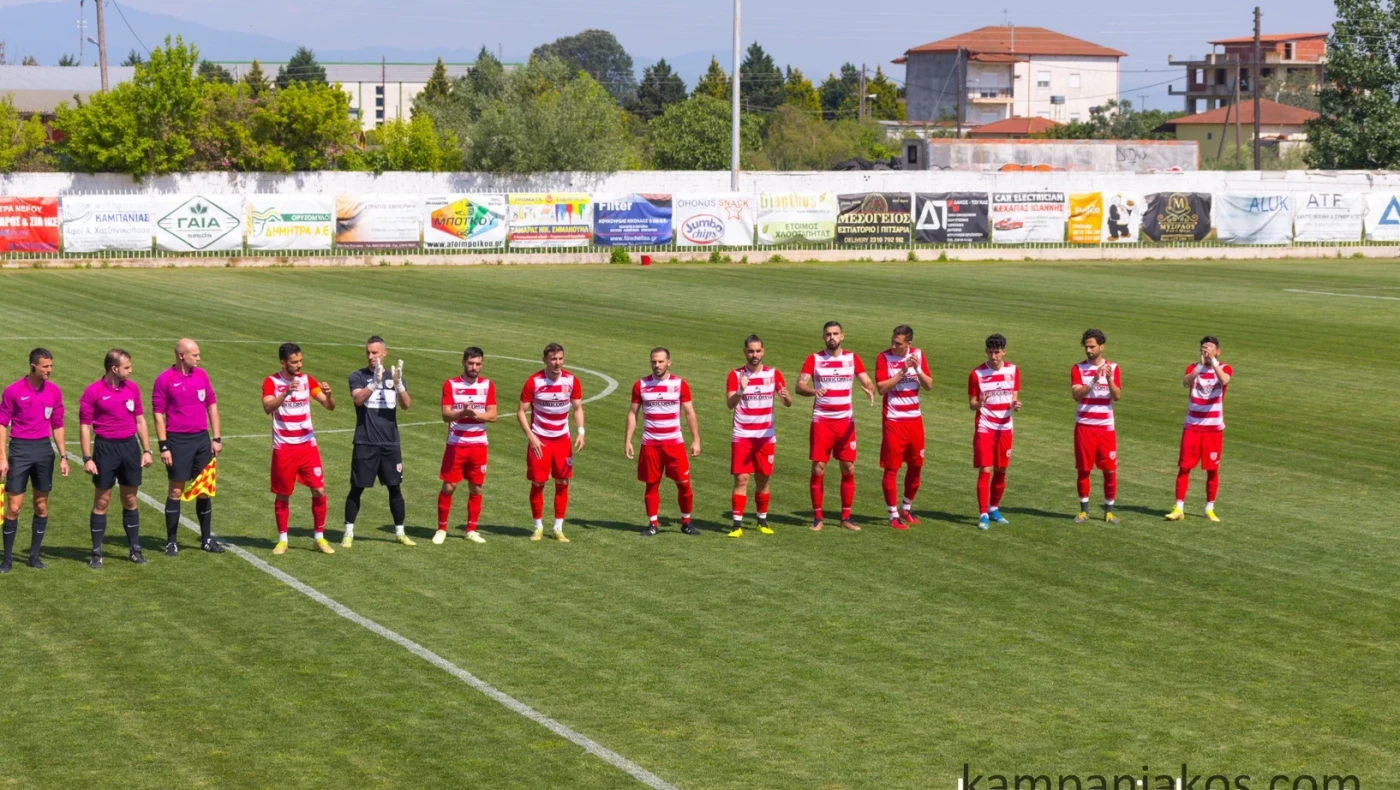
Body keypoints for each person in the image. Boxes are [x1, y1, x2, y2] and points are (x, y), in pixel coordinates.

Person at [797, 321, 876, 531]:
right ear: (823, 337)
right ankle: (817, 517)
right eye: (828, 334)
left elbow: (868, 382)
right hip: (822, 421)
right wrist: (813, 391)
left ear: (843, 336)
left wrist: (869, 389)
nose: (832, 337)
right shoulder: (814, 359)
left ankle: (846, 517)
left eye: (835, 334)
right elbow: (799, 386)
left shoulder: (852, 358)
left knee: (849, 467)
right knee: (818, 467)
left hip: (845, 422)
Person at [79, 349, 153, 568]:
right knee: (102, 500)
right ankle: (96, 552)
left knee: (130, 499)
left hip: (129, 448)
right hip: (105, 449)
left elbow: (140, 420)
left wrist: (147, 450)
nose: (131, 371)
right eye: (127, 367)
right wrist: (86, 457)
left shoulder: (132, 388)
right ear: (114, 369)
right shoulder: (93, 391)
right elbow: (85, 426)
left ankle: (134, 549)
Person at [152, 338, 224, 556]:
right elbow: (158, 414)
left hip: (201, 440)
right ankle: (171, 541)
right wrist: (164, 446)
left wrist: (217, 438)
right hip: (177, 441)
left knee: (204, 489)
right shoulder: (164, 380)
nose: (199, 358)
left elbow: (211, 406)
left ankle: (206, 539)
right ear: (182, 355)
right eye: (195, 354)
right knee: (175, 490)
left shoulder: (202, 376)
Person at [262, 342, 336, 555]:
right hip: (284, 448)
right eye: (294, 362)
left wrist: (329, 395)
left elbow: (329, 406)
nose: (299, 365)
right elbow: (268, 407)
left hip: (307, 446)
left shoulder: (307, 380)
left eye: (300, 361)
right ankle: (283, 539)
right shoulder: (271, 382)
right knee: (283, 494)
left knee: (319, 490)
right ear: (283, 362)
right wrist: (285, 393)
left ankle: (319, 538)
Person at [0, 348, 68, 572]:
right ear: (33, 366)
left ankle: (34, 556)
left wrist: (63, 457)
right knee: (14, 507)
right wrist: (2, 456)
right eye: (45, 366)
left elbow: (58, 425)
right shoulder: (13, 391)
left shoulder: (54, 392)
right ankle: (7, 559)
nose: (50, 370)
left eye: (51, 366)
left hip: (43, 450)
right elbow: (2, 424)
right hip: (20, 450)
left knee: (41, 505)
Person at [342, 336, 412, 548]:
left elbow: (406, 405)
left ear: (384, 353)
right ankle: (348, 533)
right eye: (368, 353)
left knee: (395, 488)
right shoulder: (358, 376)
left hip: (390, 443)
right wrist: (374, 383)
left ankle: (400, 532)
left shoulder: (394, 376)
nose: (371, 356)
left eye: (375, 352)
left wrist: (399, 385)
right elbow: (358, 399)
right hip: (366, 442)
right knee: (357, 488)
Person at [626, 348, 701, 536]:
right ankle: (653, 524)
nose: (657, 365)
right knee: (651, 484)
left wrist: (696, 439)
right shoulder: (641, 385)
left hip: (674, 443)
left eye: (660, 361)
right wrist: (628, 440)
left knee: (684, 483)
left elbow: (689, 412)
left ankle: (686, 522)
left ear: (669, 362)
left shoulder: (679, 384)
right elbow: (633, 413)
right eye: (654, 361)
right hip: (650, 444)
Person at [517, 343, 585, 543]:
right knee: (538, 483)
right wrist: (531, 437)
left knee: (562, 482)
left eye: (560, 359)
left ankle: (558, 528)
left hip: (562, 441)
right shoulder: (534, 381)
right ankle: (537, 527)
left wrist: (581, 431)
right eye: (553, 359)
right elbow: (521, 411)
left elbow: (578, 408)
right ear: (545, 360)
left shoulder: (571, 381)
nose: (558, 363)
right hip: (540, 440)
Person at [725, 335, 791, 538]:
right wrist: (740, 390)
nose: (754, 355)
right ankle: (737, 525)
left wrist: (787, 398)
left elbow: (787, 402)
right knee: (742, 478)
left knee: (763, 479)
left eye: (758, 351)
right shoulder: (735, 375)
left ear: (763, 351)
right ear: (744, 352)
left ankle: (762, 520)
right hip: (743, 435)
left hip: (765, 437)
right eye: (751, 351)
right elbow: (730, 404)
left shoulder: (773, 374)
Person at [1166, 336, 1234, 523]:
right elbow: (1186, 382)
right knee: (1184, 467)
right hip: (1193, 427)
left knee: (1212, 469)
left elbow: (1225, 379)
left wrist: (1213, 363)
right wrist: (1200, 366)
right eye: (1203, 348)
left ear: (1218, 351)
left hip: (1213, 429)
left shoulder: (1224, 368)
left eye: (1210, 348)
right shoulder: (1193, 368)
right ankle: (1178, 507)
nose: (1206, 350)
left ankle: (1209, 508)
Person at [874, 325, 933, 530]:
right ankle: (892, 514)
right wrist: (902, 372)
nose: (893, 345)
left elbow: (929, 385)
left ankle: (906, 508)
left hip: (914, 420)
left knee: (916, 465)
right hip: (893, 420)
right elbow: (881, 388)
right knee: (892, 468)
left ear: (908, 344)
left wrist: (916, 369)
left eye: (898, 343)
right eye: (893, 340)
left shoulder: (918, 355)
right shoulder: (883, 358)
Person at [436, 346, 496, 544]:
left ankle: (471, 529)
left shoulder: (488, 385)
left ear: (482, 364)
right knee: (449, 486)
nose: (474, 367)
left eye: (478, 364)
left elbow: (493, 415)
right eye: (471, 363)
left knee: (476, 488)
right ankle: (442, 529)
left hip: (479, 445)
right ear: (463, 363)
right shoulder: (451, 385)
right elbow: (446, 414)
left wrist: (475, 414)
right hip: (456, 445)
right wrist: (462, 413)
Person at [968, 334, 1021, 530]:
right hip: (985, 427)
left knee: (1001, 470)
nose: (993, 356)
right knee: (986, 469)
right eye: (990, 352)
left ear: (1004, 352)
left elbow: (1013, 397)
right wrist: (978, 404)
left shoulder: (1013, 371)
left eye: (997, 352)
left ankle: (994, 508)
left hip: (1005, 427)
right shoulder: (977, 374)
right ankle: (983, 514)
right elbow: (972, 404)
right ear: (986, 352)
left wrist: (1015, 404)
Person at [1070, 329, 1122, 524]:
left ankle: (1108, 511)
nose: (1089, 350)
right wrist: (1093, 381)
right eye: (1086, 346)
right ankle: (1084, 510)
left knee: (1109, 470)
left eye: (1092, 346)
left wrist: (1108, 379)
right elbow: (1077, 396)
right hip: (1084, 426)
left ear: (1102, 346)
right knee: (1084, 469)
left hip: (1105, 427)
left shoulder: (1114, 368)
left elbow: (1117, 396)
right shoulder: (1078, 369)